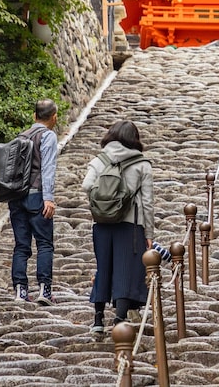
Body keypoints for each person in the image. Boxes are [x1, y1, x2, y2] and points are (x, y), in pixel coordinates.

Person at [83, 120, 154, 332]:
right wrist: (149, 233)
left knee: (103, 267)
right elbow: (148, 203)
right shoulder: (142, 164)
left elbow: (86, 185)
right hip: (130, 226)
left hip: (102, 223)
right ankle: (119, 318)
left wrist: (104, 200)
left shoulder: (100, 159)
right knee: (126, 270)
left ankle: (97, 319)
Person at [9, 99, 58, 305]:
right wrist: (49, 198)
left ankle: (20, 291)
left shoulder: (21, 136)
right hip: (37, 195)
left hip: (16, 196)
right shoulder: (48, 136)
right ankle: (44, 291)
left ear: (34, 116)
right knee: (44, 243)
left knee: (21, 245)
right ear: (54, 117)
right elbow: (48, 168)